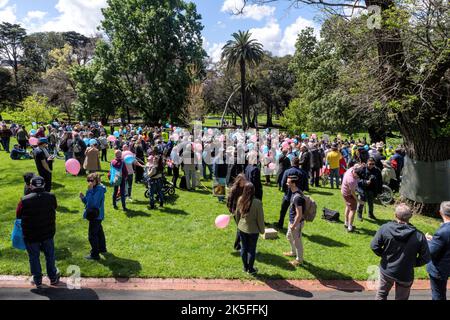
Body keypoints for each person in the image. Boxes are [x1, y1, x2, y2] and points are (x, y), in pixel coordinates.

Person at [371, 204, 430, 300]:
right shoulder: (419, 236)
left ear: (395, 215)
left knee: (381, 295)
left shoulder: (385, 228)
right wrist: (412, 263)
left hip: (387, 271)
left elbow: (374, 246)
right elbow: (425, 257)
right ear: (410, 216)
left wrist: (385, 256)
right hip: (405, 274)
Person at [16, 176, 60, 289]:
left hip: (31, 235)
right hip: (47, 233)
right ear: (44, 185)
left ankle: (38, 280)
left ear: (31, 186)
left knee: (34, 257)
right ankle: (53, 277)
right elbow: (55, 207)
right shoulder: (51, 197)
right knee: (49, 256)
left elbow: (18, 215)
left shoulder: (24, 200)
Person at [235, 182, 265, 275]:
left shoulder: (240, 199)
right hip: (253, 230)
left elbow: (237, 215)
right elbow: (260, 218)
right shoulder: (257, 203)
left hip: (242, 228)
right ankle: (250, 269)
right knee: (252, 250)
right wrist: (262, 230)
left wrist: (239, 224)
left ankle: (245, 267)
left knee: (244, 248)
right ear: (254, 191)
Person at [80, 173, 107, 260]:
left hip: (96, 216)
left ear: (97, 181)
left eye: (91, 180)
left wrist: (90, 191)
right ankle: (102, 248)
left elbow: (93, 204)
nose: (89, 182)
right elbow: (88, 202)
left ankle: (95, 254)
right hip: (95, 215)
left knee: (92, 235)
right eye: (88, 180)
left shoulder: (98, 190)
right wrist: (83, 198)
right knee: (99, 232)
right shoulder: (94, 188)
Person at [426, 201, 450, 300]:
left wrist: (427, 241)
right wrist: (435, 240)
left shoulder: (442, 232)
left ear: (440, 212)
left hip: (439, 269)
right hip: (447, 266)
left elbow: (431, 252)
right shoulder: (443, 232)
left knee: (438, 295)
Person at [277, 157, 308, 229]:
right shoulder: (303, 172)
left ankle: (281, 224)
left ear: (292, 163)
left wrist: (286, 192)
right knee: (296, 212)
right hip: (298, 196)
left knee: (284, 211)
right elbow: (305, 186)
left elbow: (283, 184)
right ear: (298, 163)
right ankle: (295, 226)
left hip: (288, 195)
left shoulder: (287, 171)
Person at [283, 175, 306, 267]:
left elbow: (299, 214)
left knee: (297, 241)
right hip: (292, 221)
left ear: (293, 183)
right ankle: (293, 252)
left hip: (296, 223)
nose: (286, 183)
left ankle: (299, 260)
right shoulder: (293, 192)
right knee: (289, 236)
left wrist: (294, 225)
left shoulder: (297, 197)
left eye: (288, 182)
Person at [227, 173, 248, 251]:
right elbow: (229, 202)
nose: (245, 182)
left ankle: (239, 245)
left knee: (241, 228)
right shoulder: (234, 190)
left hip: (244, 211)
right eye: (243, 180)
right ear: (239, 181)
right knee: (241, 228)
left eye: (245, 180)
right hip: (236, 212)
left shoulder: (246, 188)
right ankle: (237, 246)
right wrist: (232, 211)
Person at [341, 165, 362, 233]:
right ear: (355, 173)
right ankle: (350, 227)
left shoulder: (351, 169)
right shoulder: (351, 180)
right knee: (353, 210)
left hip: (344, 192)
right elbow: (353, 192)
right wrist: (358, 200)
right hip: (348, 194)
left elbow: (356, 165)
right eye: (358, 176)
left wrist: (361, 165)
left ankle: (346, 223)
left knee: (348, 206)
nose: (358, 178)